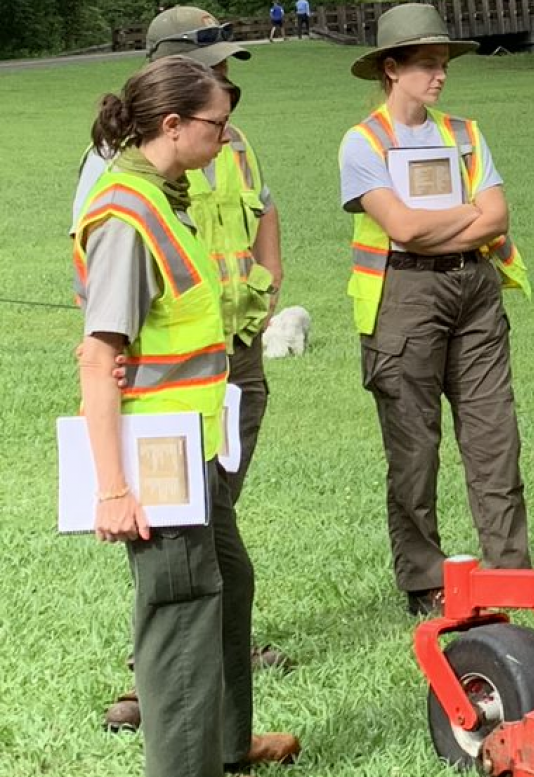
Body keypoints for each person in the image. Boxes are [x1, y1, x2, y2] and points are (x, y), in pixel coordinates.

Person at [72, 56, 300, 775]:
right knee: (178, 613)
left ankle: (228, 745)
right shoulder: (126, 215)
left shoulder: (169, 196)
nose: (228, 141)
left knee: (227, 579)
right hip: (155, 460)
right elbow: (96, 356)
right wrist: (112, 489)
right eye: (217, 126)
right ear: (172, 126)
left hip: (194, 446)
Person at [338, 3, 532, 616]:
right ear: (391, 69)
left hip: (475, 292)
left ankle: (509, 575)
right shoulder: (362, 142)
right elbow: (399, 228)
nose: (440, 75)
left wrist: (437, 229)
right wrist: (461, 222)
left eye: (443, 63)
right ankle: (425, 582)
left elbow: (496, 216)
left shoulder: (466, 133)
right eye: (426, 64)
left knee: (494, 439)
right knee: (414, 451)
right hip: (405, 301)